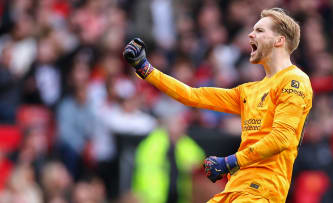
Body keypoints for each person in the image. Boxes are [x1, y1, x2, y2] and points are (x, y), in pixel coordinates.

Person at [123, 8, 313, 203]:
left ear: (279, 41)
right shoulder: (248, 91)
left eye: (260, 30)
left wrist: (229, 162)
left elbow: (282, 138)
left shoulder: (294, 80)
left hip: (263, 190)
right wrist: (146, 69)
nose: (251, 34)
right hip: (236, 187)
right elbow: (193, 95)